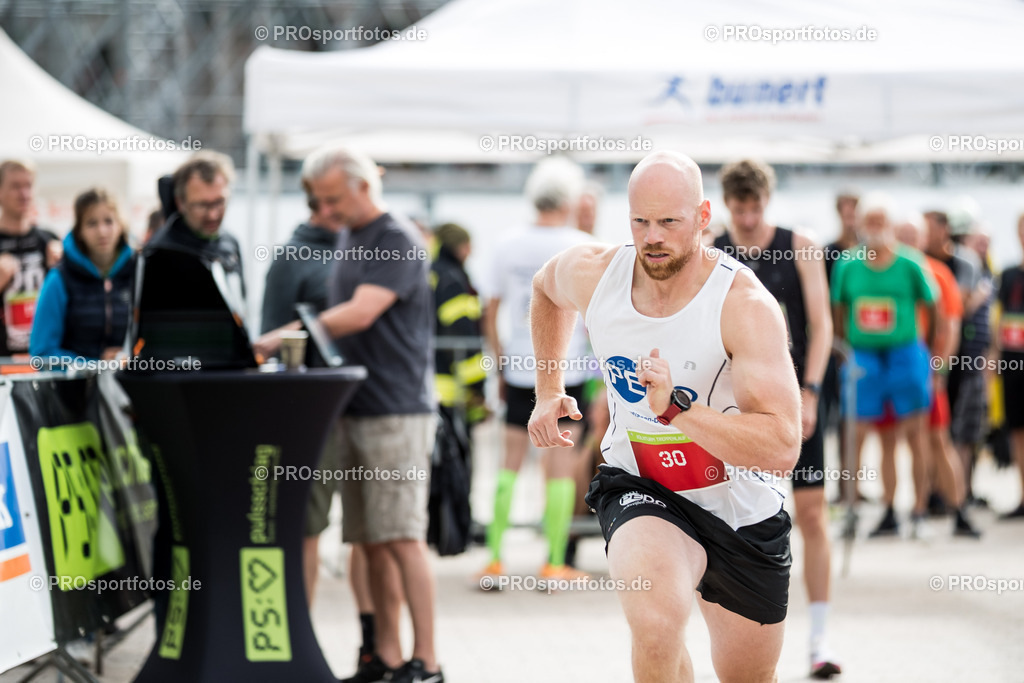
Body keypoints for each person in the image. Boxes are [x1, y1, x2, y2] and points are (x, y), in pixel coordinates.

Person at [531, 150, 800, 683]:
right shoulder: (597, 274)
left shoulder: (743, 304)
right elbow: (545, 288)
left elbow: (781, 444)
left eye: (669, 222)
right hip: (642, 487)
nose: (652, 236)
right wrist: (547, 388)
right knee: (655, 628)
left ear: (702, 217)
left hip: (739, 507)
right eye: (640, 221)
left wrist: (677, 409)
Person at [255, 145, 441, 683]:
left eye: (334, 198)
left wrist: (279, 336)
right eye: (321, 200)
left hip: (396, 411)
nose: (326, 209)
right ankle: (385, 656)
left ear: (363, 186)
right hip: (354, 409)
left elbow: (361, 312)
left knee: (402, 538)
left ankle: (427, 662)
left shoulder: (397, 239)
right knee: (368, 540)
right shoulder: (349, 236)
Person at [713, 159, 839, 679]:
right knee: (732, 522)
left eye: (756, 207)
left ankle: (820, 636)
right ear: (726, 205)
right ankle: (741, 643)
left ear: (768, 200)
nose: (747, 218)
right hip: (736, 408)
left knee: (811, 514)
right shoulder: (712, 249)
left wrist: (808, 391)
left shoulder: (800, 245)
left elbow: (822, 325)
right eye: (739, 209)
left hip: (795, 401)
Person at [478, 158, 594, 584]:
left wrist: (500, 358)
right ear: (569, 198)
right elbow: (595, 315)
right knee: (561, 465)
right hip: (569, 368)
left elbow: (489, 311)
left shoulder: (506, 244)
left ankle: (494, 559)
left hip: (519, 367)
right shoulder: (583, 243)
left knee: (508, 463)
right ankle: (553, 563)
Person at [833, 195, 977, 539]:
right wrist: (845, 353)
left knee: (918, 435)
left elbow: (938, 313)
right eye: (870, 221)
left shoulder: (912, 263)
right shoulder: (848, 264)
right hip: (864, 357)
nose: (875, 228)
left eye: (882, 221)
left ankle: (919, 511)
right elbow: (838, 312)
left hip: (906, 353)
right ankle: (857, 509)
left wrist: (935, 361)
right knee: (859, 435)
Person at [260, 185, 345, 608]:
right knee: (306, 525)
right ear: (322, 203)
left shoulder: (358, 248)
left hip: (361, 407)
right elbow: (268, 343)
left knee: (358, 531)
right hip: (310, 411)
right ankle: (298, 627)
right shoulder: (292, 257)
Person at [874, 216, 980, 538]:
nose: (906, 240)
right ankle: (892, 511)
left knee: (935, 440)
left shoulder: (937, 272)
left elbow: (950, 327)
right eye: (901, 233)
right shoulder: (882, 268)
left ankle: (956, 508)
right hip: (889, 368)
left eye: (912, 235)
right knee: (889, 440)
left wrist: (938, 369)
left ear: (923, 239)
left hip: (925, 370)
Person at [924, 209, 990, 505]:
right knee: (936, 430)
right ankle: (938, 493)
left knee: (961, 431)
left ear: (944, 228)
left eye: (930, 227)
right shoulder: (921, 260)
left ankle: (960, 496)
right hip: (933, 355)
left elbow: (959, 304)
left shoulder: (963, 261)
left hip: (963, 356)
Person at [30, 188, 134, 361]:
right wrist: (95, 364)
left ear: (121, 224)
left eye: (108, 221)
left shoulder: (139, 272)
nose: (102, 231)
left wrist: (130, 358)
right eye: (92, 223)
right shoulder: (59, 278)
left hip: (130, 384)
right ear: (79, 230)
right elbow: (42, 353)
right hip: (75, 386)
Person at [147, 151, 245, 303]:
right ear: (180, 203)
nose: (213, 214)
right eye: (202, 205)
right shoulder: (159, 253)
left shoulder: (230, 243)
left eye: (219, 202)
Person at [0, 160, 61, 356]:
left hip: (43, 358)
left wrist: (63, 266)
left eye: (28, 186)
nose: (24, 194)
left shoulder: (49, 240)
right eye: (15, 186)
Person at [431, 222, 486, 427]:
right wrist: (477, 387)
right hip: (451, 389)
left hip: (427, 383)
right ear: (459, 247)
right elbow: (460, 332)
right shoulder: (451, 279)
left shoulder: (430, 274)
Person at [994, 213, 1024, 519]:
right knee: (1017, 432)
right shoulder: (1009, 274)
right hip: (1013, 363)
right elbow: (999, 319)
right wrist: (992, 356)